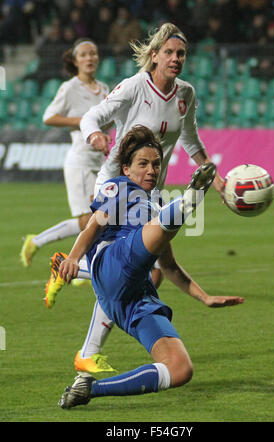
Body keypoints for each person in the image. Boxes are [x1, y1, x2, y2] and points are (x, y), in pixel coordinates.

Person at [46, 23, 225, 377]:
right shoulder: (133, 86)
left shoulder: (186, 94)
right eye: (169, 53)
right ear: (154, 55)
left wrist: (217, 179)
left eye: (181, 54)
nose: (176, 59)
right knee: (143, 267)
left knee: (151, 272)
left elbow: (190, 140)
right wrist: (95, 134)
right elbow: (93, 116)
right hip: (117, 182)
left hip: (149, 190)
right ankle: (86, 339)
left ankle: (70, 273)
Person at [57, 125, 244, 409]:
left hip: (132, 295)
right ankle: (190, 199)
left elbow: (168, 265)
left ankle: (89, 390)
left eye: (156, 164)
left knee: (180, 369)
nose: (151, 170)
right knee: (154, 232)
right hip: (111, 262)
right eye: (143, 164)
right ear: (126, 168)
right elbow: (96, 223)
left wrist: (204, 297)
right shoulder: (120, 186)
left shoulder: (155, 204)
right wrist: (73, 257)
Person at [20, 38, 111, 273]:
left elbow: (109, 118)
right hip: (79, 162)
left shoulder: (104, 89)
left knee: (100, 218)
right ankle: (39, 243)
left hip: (99, 162)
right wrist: (83, 121)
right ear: (75, 61)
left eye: (93, 53)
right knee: (87, 220)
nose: (89, 58)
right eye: (84, 55)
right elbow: (49, 116)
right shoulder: (70, 88)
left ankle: (83, 265)